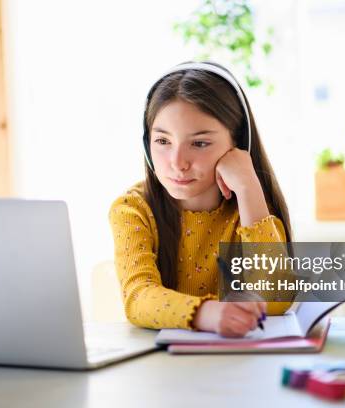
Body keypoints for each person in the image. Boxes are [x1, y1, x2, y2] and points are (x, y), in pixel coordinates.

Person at [109, 61, 295, 338]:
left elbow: (277, 298)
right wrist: (208, 313)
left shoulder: (249, 208)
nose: (177, 163)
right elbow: (138, 298)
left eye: (199, 143)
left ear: (239, 144)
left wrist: (248, 186)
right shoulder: (133, 209)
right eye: (162, 141)